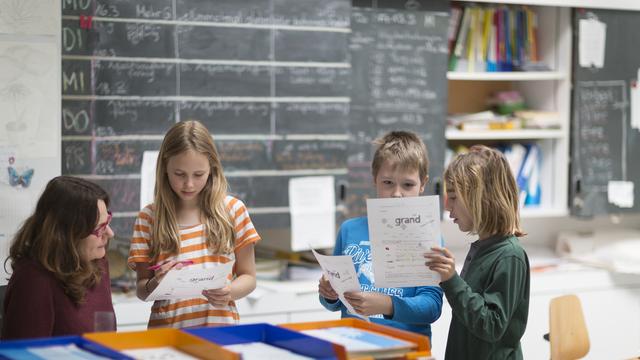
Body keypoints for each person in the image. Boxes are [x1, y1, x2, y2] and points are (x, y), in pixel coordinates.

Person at [128, 120, 260, 329]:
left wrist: (230, 292)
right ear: (164, 168)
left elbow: (249, 277)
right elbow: (142, 290)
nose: (189, 184)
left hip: (220, 335)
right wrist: (156, 282)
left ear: (212, 168)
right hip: (167, 338)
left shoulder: (233, 211)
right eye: (179, 174)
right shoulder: (148, 219)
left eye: (198, 175)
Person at [318, 131, 443, 340]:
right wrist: (329, 294)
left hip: (406, 349)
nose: (396, 193)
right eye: (388, 183)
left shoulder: (429, 238)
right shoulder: (349, 230)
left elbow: (432, 307)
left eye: (408, 185)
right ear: (375, 179)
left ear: (423, 184)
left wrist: (387, 304)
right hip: (354, 345)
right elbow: (335, 303)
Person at [425, 145, 530, 360]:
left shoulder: (510, 256)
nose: (446, 206)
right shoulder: (483, 248)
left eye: (453, 197)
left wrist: (452, 280)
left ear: (481, 198)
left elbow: (491, 326)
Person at [2, 176, 115, 339]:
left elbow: (105, 340)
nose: (110, 234)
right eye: (99, 228)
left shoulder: (97, 264)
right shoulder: (33, 281)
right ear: (66, 235)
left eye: (107, 222)